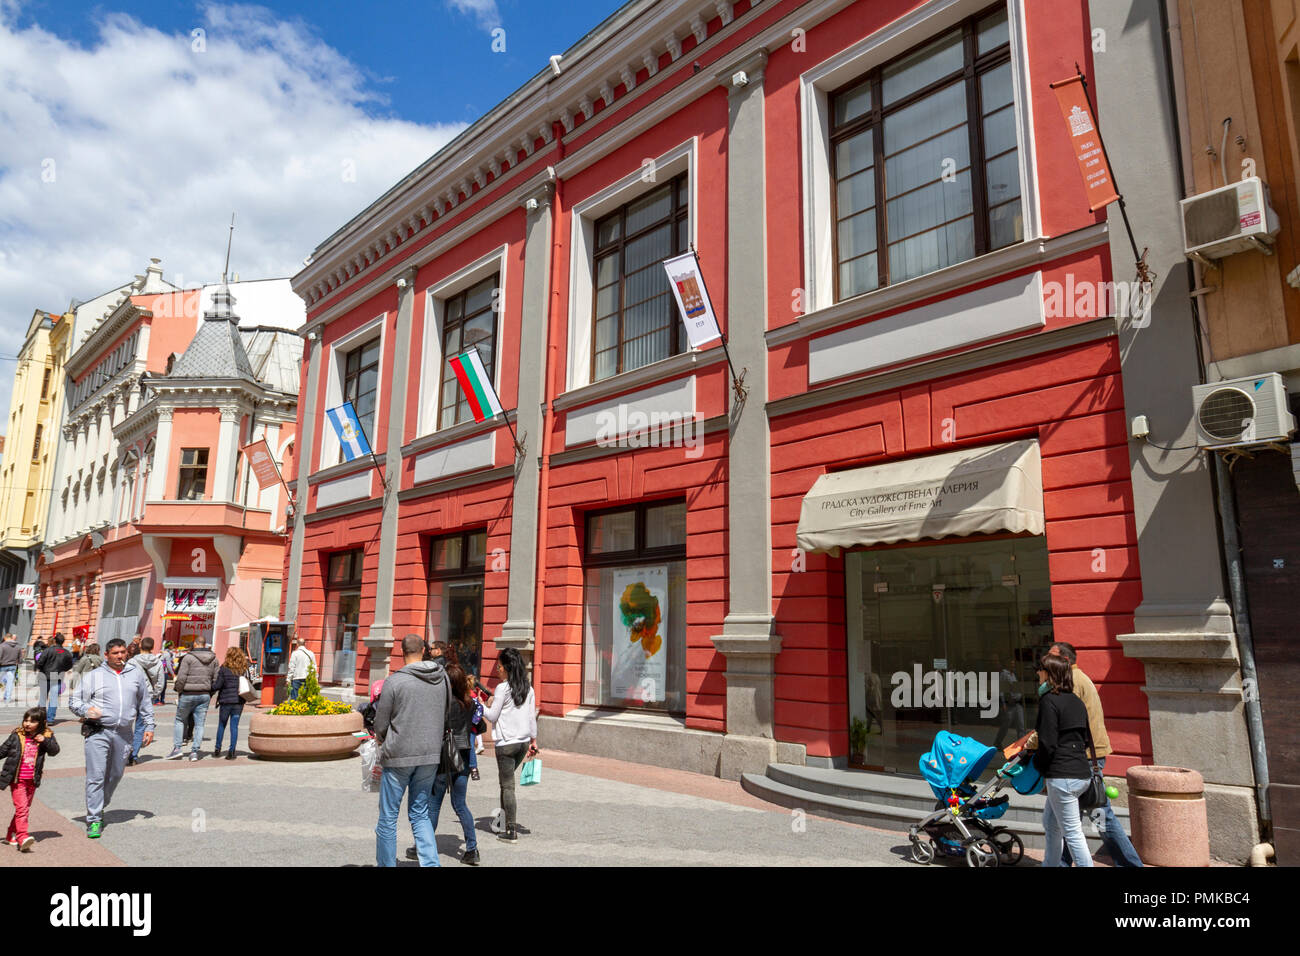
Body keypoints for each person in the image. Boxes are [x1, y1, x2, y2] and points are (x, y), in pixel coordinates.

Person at [1048, 642, 1143, 867]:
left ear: (1066, 660)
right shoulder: (1079, 678)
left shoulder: (1072, 682)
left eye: (1051, 657)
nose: (1045, 661)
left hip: (1084, 757)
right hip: (1088, 755)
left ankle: (1131, 865)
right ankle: (1063, 862)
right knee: (1073, 816)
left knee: (1101, 816)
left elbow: (1062, 722)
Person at [373, 634, 447, 867]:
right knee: (420, 812)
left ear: (401, 652)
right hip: (430, 753)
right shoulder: (442, 677)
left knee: (388, 817)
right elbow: (445, 714)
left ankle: (386, 864)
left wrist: (383, 740)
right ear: (424, 650)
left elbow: (380, 723)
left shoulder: (395, 681)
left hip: (398, 755)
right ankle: (431, 863)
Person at [69, 638, 155, 839]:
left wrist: (149, 726)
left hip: (124, 733)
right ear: (106, 655)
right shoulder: (95, 676)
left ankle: (101, 804)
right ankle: (94, 818)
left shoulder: (135, 674)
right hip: (99, 731)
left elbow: (145, 702)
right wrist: (86, 710)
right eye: (115, 653)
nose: (120, 656)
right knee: (96, 776)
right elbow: (74, 700)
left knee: (116, 774)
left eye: (123, 652)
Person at [1032, 654, 1094, 867]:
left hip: (1062, 776)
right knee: (1051, 824)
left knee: (1073, 832)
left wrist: (1038, 767)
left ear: (1049, 674)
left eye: (1040, 669)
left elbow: (1047, 743)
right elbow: (1085, 739)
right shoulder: (1076, 701)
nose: (1037, 673)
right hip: (1081, 773)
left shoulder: (1049, 701)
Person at [429, 662, 483, 865]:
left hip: (446, 759)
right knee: (460, 804)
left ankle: (422, 847)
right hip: (465, 758)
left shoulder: (444, 704)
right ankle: (472, 849)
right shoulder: (470, 702)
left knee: (433, 805)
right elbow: (481, 726)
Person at [484, 647, 538, 844]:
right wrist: (534, 741)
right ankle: (501, 821)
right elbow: (532, 717)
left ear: (506, 667)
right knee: (505, 783)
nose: (497, 669)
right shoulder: (528, 688)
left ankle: (510, 830)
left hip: (506, 744)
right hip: (523, 743)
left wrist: (479, 705)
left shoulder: (502, 688)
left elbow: (492, 716)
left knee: (507, 786)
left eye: (499, 666)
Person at [0, 707, 60, 851]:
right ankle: (22, 837)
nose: (27, 724)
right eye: (26, 720)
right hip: (17, 779)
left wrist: (45, 740)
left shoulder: (46, 735)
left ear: (42, 723)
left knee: (24, 809)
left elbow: (54, 751)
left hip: (32, 780)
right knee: (22, 809)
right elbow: (2, 751)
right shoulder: (17, 735)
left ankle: (10, 835)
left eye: (32, 721)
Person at [167, 636, 217, 761]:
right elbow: (216, 679)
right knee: (200, 724)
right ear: (204, 644)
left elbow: (181, 677)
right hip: (204, 693)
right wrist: (210, 692)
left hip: (188, 693)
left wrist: (179, 690)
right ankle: (194, 752)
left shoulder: (188, 657)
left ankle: (177, 748)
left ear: (195, 644)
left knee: (180, 720)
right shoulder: (214, 659)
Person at [129, 638, 166, 765]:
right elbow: (161, 683)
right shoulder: (158, 662)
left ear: (140, 645)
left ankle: (124, 751)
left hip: (131, 695)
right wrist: (154, 695)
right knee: (140, 726)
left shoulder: (132, 661)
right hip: (147, 696)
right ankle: (133, 755)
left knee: (126, 723)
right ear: (153, 647)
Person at [211, 647, 250, 760]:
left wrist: (210, 686)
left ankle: (217, 749)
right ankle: (231, 751)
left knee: (222, 725)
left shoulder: (224, 668)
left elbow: (218, 685)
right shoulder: (243, 668)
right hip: (238, 701)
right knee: (234, 726)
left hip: (225, 701)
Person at [35, 634, 73, 723]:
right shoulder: (66, 653)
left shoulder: (48, 650)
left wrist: (42, 670)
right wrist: (62, 670)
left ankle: (40, 717)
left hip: (45, 676)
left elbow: (40, 662)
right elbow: (70, 665)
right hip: (57, 676)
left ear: (55, 641)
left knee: (43, 697)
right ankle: (50, 719)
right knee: (54, 698)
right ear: (63, 642)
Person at [0, 634, 22, 704]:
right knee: (9, 683)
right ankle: (7, 698)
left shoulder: (2, 646)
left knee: (2, 682)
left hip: (3, 666)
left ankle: (6, 696)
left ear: (5, 638)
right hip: (13, 666)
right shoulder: (18, 647)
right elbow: (20, 659)